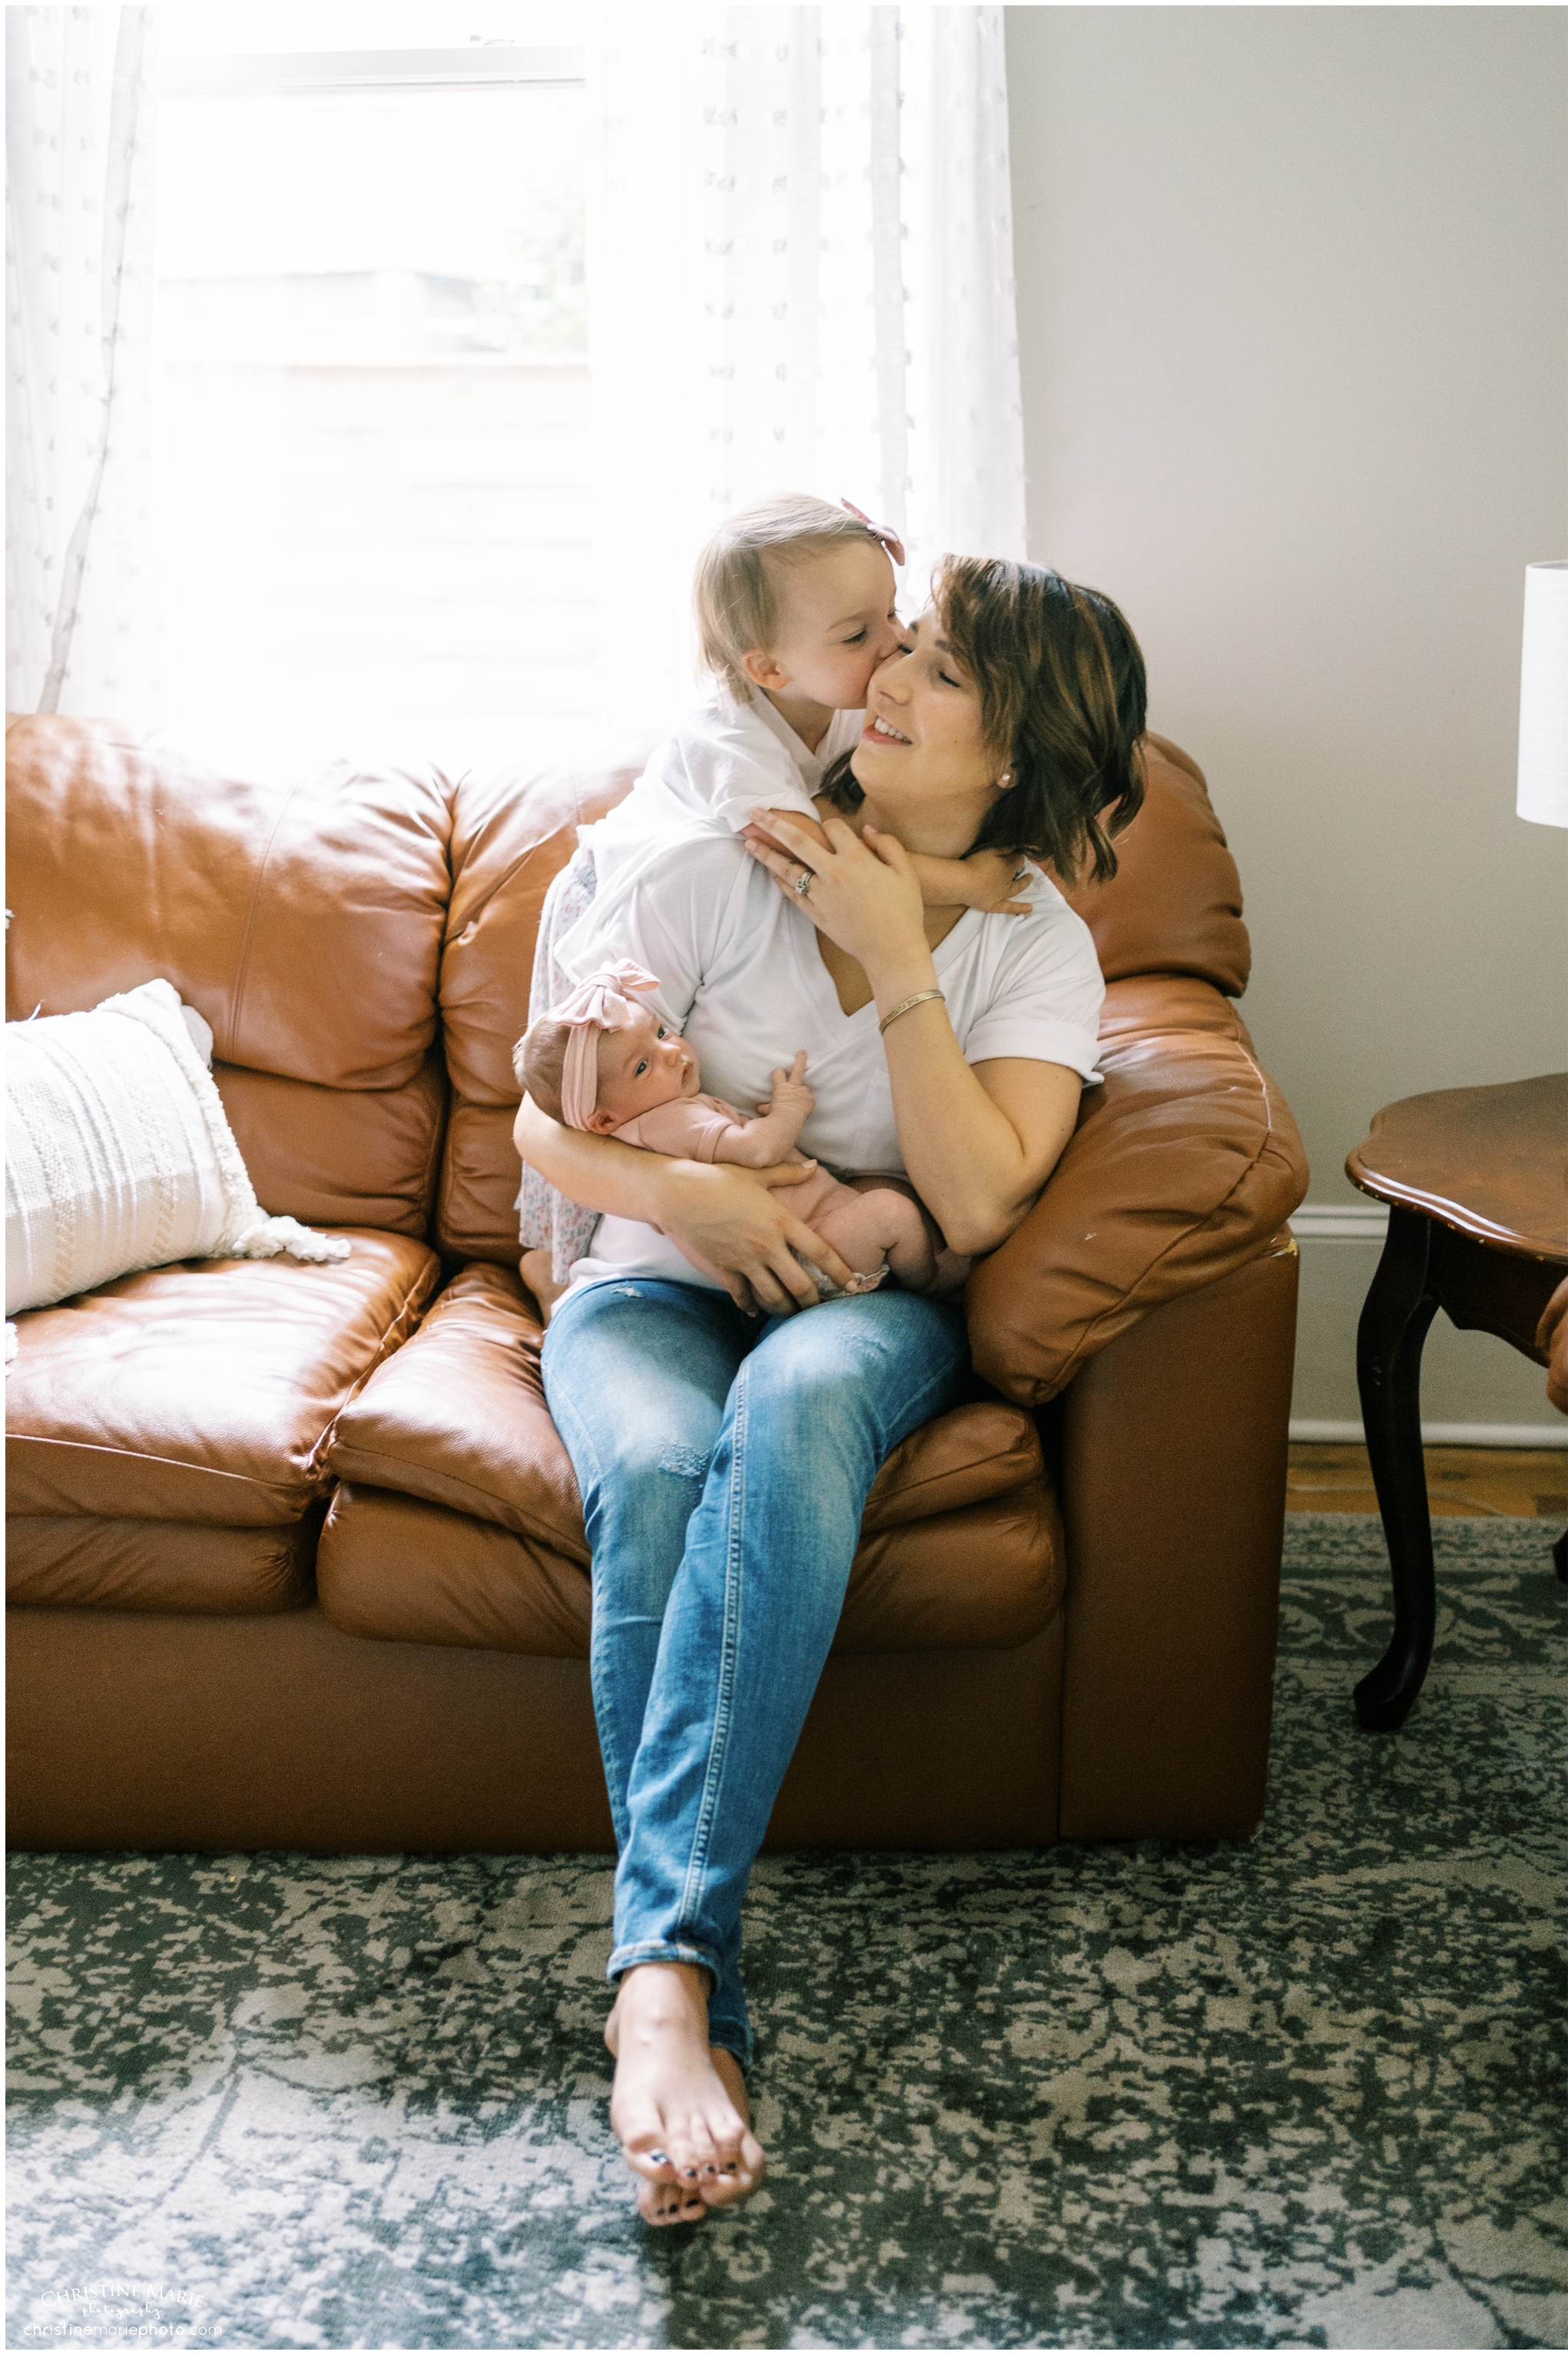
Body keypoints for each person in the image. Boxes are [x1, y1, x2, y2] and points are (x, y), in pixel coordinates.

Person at [514, 553, 1147, 2226]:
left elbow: (985, 1199)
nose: (884, 679)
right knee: (654, 1470)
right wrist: (695, 1198)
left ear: (1009, 751)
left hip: (857, 1313)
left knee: (789, 1411)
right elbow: (537, 1118)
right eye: (897, 649)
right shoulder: (730, 848)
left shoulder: (1040, 952)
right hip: (652, 1284)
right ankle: (675, 1973)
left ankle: (657, 1981)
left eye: (935, 672)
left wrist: (894, 958)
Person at [519, 493, 1029, 1310]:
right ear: (767, 668)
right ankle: (557, 1265)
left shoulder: (834, 711)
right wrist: (966, 882)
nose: (894, 645)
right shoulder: (732, 742)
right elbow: (822, 860)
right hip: (607, 898)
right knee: (591, 1093)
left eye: (891, 615)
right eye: (858, 635)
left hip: (705, 888)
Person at [514, 960, 966, 1296]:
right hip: (798, 1250)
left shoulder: (651, 1121)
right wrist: (788, 1110)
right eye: (643, 1065)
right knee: (892, 1213)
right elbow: (757, 1152)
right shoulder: (670, 1122)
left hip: (794, 1243)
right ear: (604, 1121)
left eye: (662, 1033)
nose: (670, 1052)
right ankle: (930, 1282)